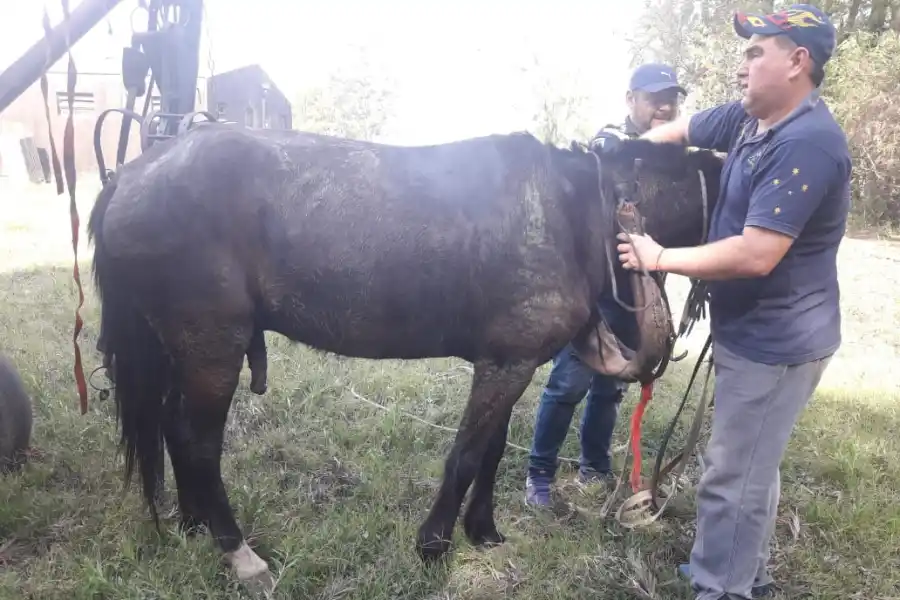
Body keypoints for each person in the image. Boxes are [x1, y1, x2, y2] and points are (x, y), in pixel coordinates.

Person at [616, 5, 849, 600]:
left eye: (755, 53)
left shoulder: (807, 144)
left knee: (731, 476)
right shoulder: (752, 119)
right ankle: (740, 569)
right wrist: (629, 147)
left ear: (798, 62)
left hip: (779, 342)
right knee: (750, 467)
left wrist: (657, 255)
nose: (741, 66)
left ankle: (722, 588)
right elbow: (686, 129)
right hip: (753, 332)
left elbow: (755, 255)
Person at [524, 63, 687, 506]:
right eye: (655, 96)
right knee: (569, 383)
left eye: (672, 97)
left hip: (641, 293)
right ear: (631, 99)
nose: (665, 105)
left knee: (612, 387)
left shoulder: (679, 152)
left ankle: (594, 464)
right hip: (597, 291)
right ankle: (539, 472)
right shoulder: (612, 142)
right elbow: (599, 152)